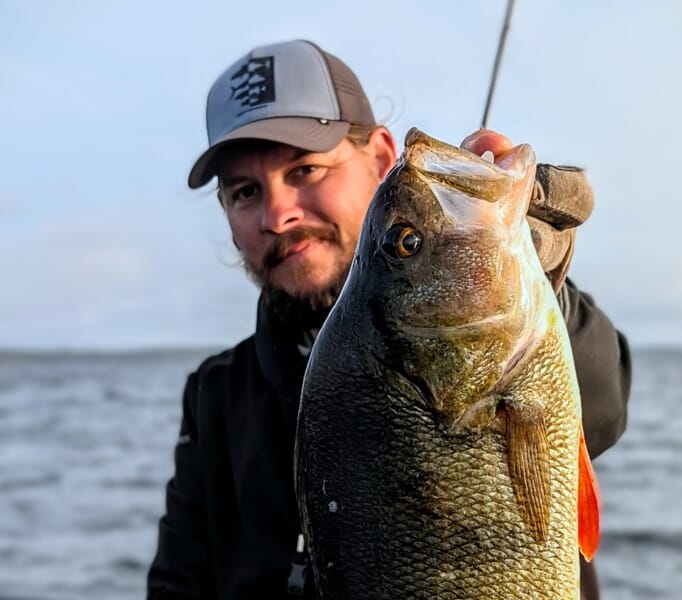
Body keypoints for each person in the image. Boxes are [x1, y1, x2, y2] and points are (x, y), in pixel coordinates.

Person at [147, 39, 632, 599]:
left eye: (305, 169)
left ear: (381, 157)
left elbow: (603, 402)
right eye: (245, 192)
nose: (277, 216)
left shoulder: (526, 334)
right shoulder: (215, 395)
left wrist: (547, 282)